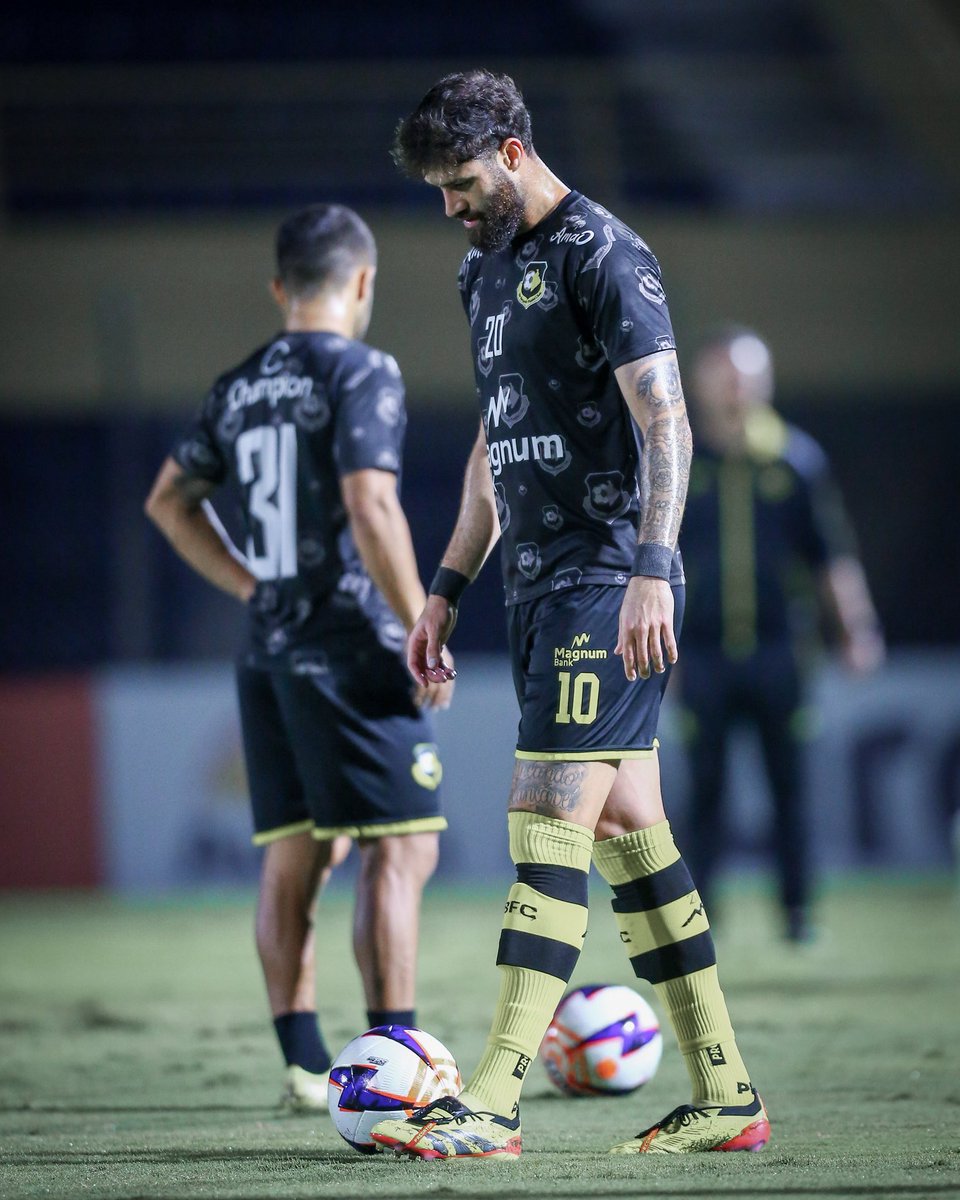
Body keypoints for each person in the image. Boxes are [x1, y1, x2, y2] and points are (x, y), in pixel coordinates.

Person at [369, 69, 769, 1160]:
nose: (449, 207)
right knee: (632, 837)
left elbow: (667, 422)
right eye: (437, 190)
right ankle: (727, 1092)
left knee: (543, 817)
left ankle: (492, 1098)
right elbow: (495, 441)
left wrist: (652, 567)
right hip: (535, 589)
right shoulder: (482, 270)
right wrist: (445, 588)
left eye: (459, 183)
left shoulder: (605, 253)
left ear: (511, 152)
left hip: (606, 582)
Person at [145, 203, 452, 1111]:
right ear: (362, 282)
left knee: (297, 855)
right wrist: (420, 626)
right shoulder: (363, 370)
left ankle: (305, 1063)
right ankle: (395, 1061)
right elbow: (371, 504)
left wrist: (251, 587)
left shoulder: (237, 386)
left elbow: (168, 502)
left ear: (280, 288)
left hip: (269, 650)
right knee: (401, 849)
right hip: (352, 643)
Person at [676, 326, 885, 942]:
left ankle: (798, 913)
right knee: (703, 790)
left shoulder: (795, 460)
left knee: (790, 787)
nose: (735, 389)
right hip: (703, 655)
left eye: (746, 377)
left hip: (781, 653)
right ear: (699, 383)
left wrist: (856, 629)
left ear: (765, 383)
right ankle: (697, 917)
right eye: (723, 376)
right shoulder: (680, 459)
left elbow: (830, 555)